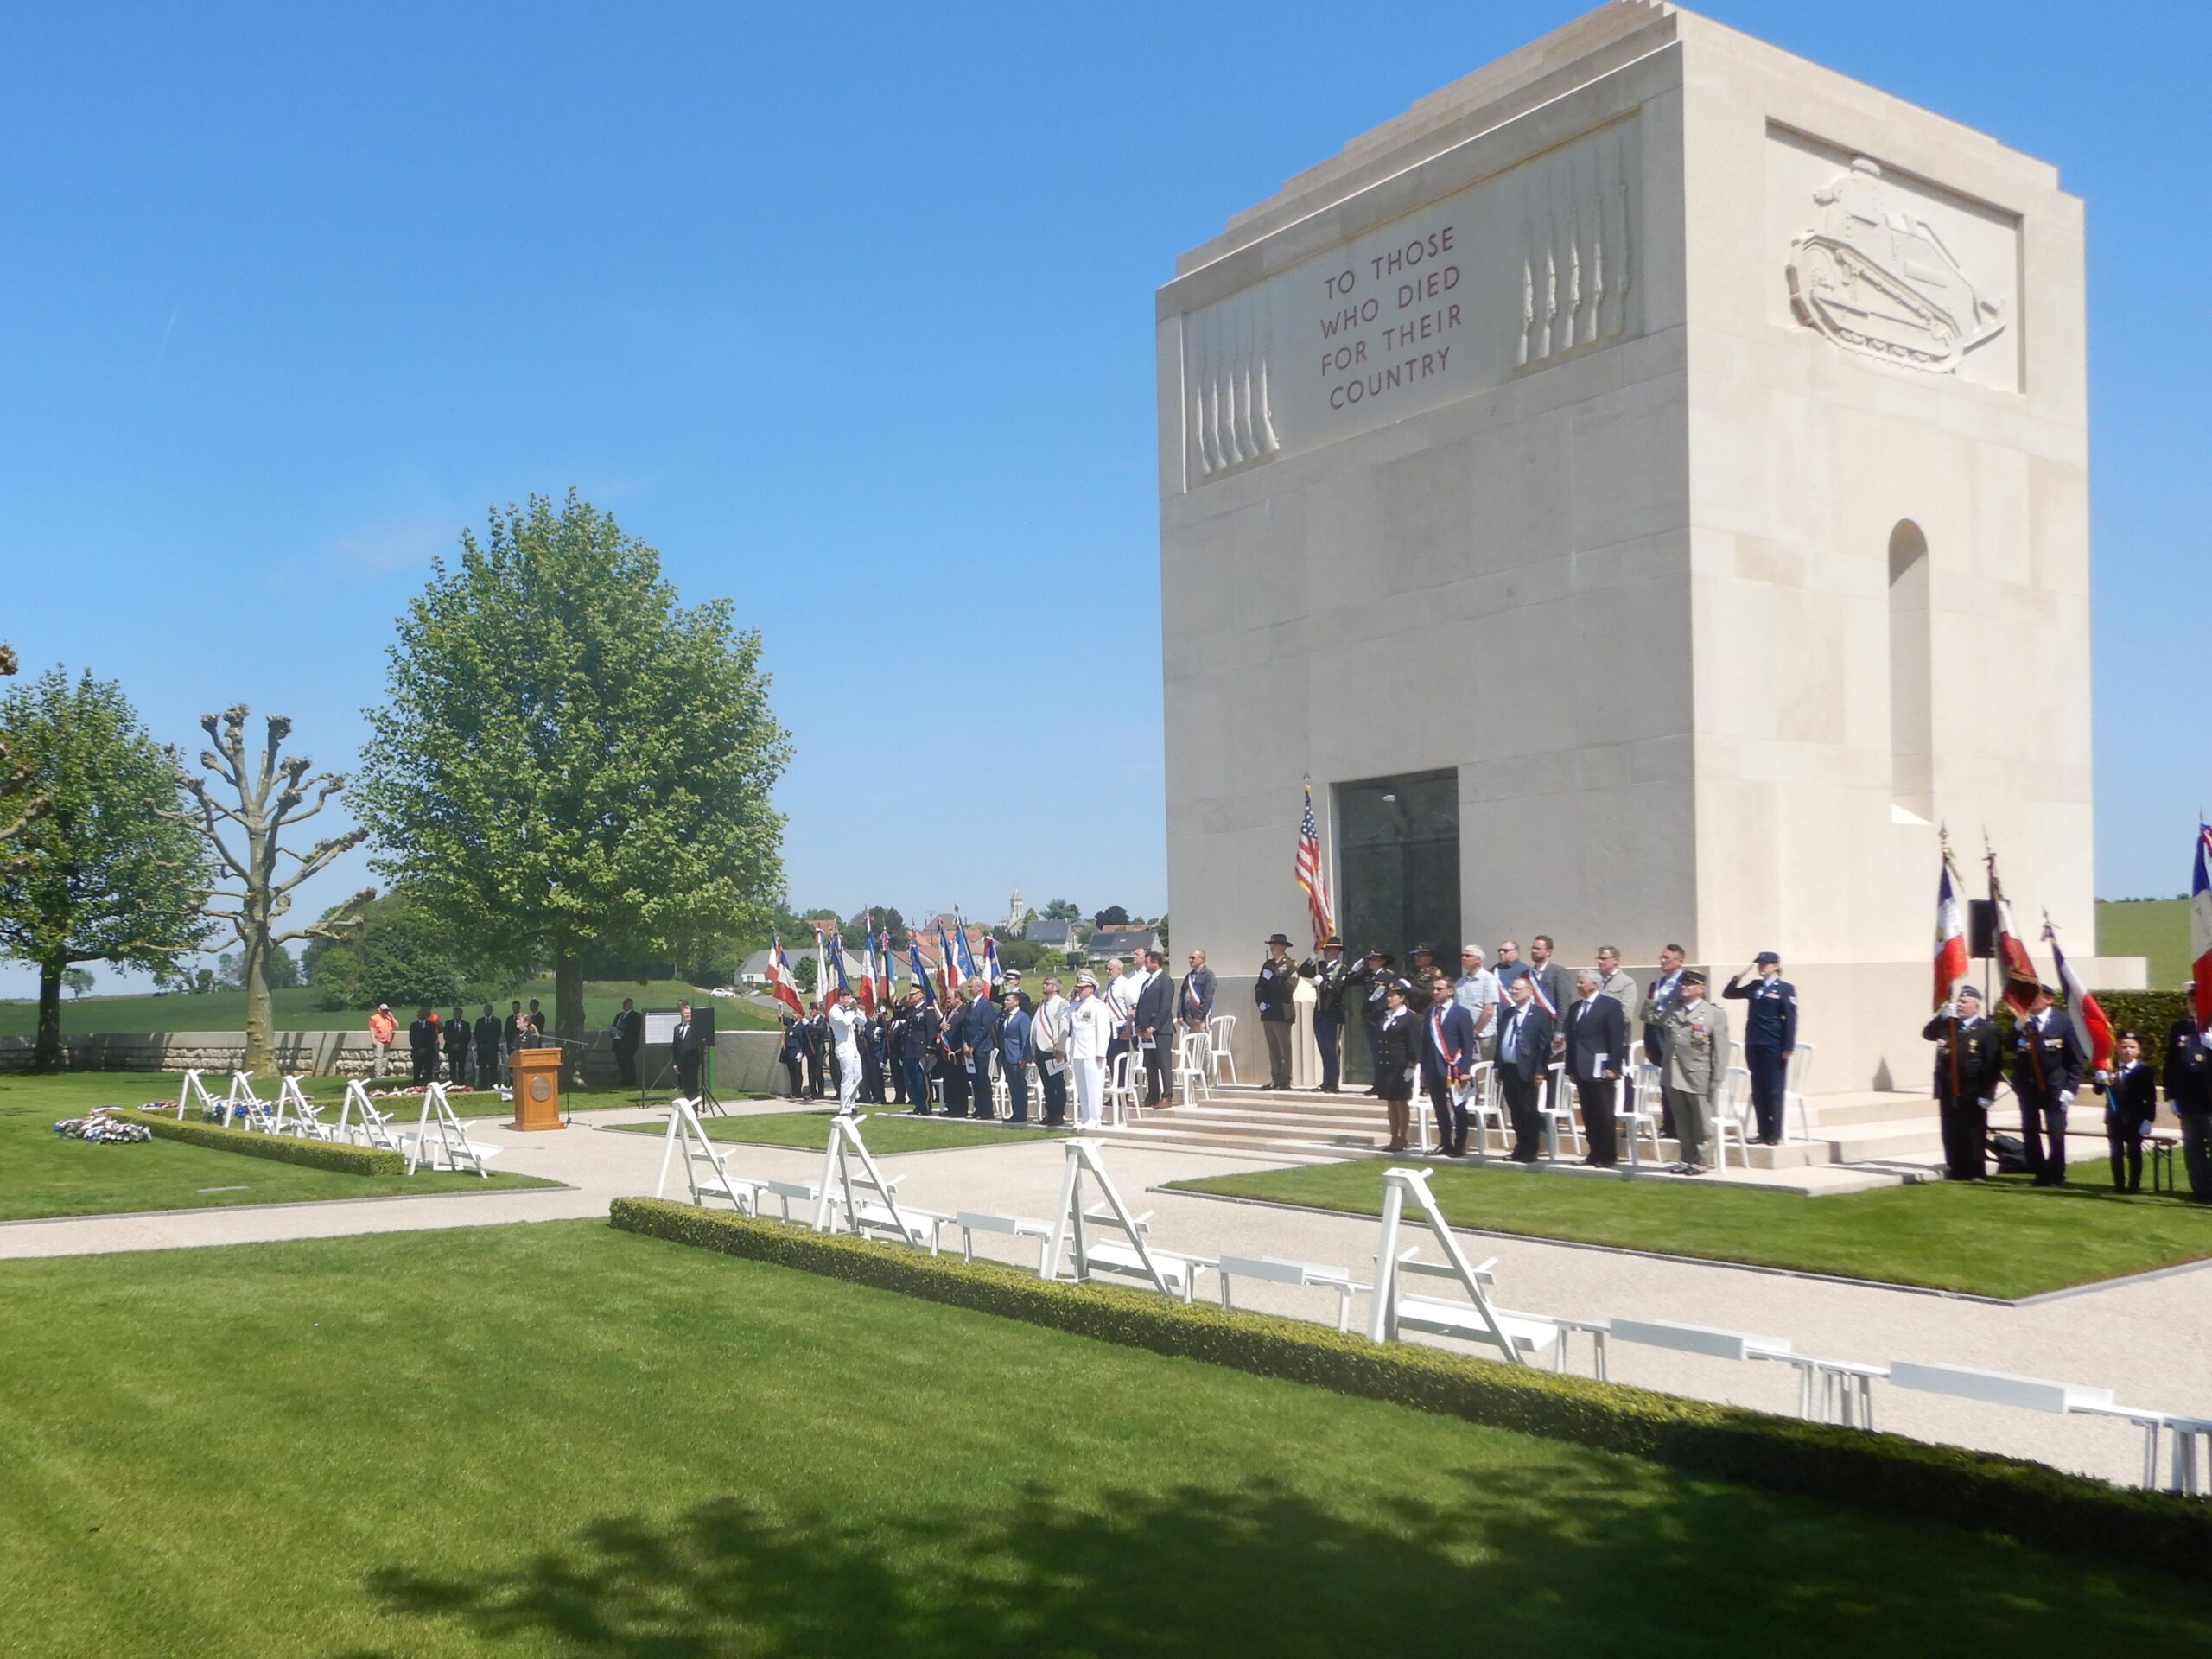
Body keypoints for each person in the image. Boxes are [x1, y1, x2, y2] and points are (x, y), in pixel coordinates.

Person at [1923, 985, 2005, 1181]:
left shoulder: (1987, 1030)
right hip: (1949, 1088)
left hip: (1974, 1089)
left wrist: (1987, 1095)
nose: (1959, 1005)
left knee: (1974, 1132)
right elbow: (1927, 1034)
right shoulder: (1949, 1025)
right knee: (1951, 1130)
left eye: (1964, 1002)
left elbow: (1993, 1065)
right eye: (1958, 1001)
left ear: (1976, 1006)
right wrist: (1942, 1016)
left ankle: (1976, 1171)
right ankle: (1957, 1168)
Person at [2011, 983, 2084, 1186]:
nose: (2032, 1000)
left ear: (2049, 999)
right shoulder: (2023, 1021)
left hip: (2055, 1085)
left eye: (2037, 996)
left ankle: (2057, 1174)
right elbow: (2008, 1045)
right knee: (2030, 1129)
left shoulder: (2063, 1021)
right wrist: (2017, 1027)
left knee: (2055, 1130)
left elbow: (2076, 1059)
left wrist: (2071, 1088)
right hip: (2028, 1085)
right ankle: (2039, 1172)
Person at [1722, 952, 1798, 1145]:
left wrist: (1788, 1045)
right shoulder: (1755, 986)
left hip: (1773, 1043)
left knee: (1774, 1088)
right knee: (1758, 1088)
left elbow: (1790, 1019)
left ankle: (1774, 1133)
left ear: (1775, 966)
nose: (1761, 967)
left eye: (1765, 964)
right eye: (1759, 964)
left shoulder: (1784, 988)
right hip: (1754, 1042)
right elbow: (1729, 994)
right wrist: (1738, 976)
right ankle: (1762, 1131)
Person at [1657, 969, 1726, 1174]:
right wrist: (1658, 997)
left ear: (1701, 989)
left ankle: (1702, 1160)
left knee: (1701, 1120)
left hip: (1698, 1073)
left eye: (1689, 984)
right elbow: (1649, 1017)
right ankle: (1686, 1158)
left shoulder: (1714, 1013)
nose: (1684, 986)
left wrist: (1718, 1076)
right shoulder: (1673, 1009)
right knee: (1682, 1119)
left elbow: (1721, 1048)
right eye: (1682, 984)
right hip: (1674, 1072)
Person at [1564, 969, 1626, 1167]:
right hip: (1582, 1068)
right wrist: (1571, 1068)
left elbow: (1616, 1039)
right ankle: (1593, 1152)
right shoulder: (1575, 1008)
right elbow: (1572, 1040)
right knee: (1588, 1113)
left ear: (1594, 984)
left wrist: (1613, 1067)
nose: (1578, 985)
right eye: (1578, 982)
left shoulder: (1610, 1006)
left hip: (1601, 1069)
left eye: (1582, 982)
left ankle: (1607, 1155)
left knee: (1604, 1113)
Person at [1494, 976, 1555, 1162]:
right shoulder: (1507, 1013)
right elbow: (1501, 1041)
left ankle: (1531, 1149)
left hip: (1527, 1070)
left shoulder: (1540, 1014)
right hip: (1509, 1068)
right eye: (1512, 988)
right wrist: (1498, 1066)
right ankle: (1519, 1147)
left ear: (1529, 991)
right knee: (1515, 1111)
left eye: (1518, 989)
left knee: (1528, 1110)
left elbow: (1543, 1046)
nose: (1513, 991)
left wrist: (1539, 1071)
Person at [1420, 971, 1478, 1156]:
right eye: (1433, 989)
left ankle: (1459, 1145)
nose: (1435, 992)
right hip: (1434, 1068)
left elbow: (1467, 1045)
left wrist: (1464, 1070)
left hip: (1454, 1068)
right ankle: (1445, 1142)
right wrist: (1423, 1069)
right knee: (1439, 1108)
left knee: (1458, 1108)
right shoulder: (1431, 1013)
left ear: (1450, 991)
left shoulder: (1462, 1013)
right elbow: (1426, 1043)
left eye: (1439, 989)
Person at [2162, 992, 2212, 1203]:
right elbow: (2171, 1064)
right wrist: (2171, 1095)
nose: (2193, 1004)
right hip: (2189, 1099)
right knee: (2193, 1147)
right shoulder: (2180, 1028)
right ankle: (2200, 1189)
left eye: (2197, 999)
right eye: (2190, 1000)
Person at [2094, 1030, 2156, 1192]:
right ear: (2117, 1048)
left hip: (2135, 1118)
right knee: (2116, 1153)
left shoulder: (2144, 1071)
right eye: (2123, 1047)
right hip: (2114, 1117)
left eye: (2132, 1047)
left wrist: (2149, 1119)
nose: (2127, 1050)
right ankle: (2119, 1184)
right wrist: (2100, 1079)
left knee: (2134, 1152)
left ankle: (2134, 1185)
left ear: (2138, 1050)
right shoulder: (2109, 1068)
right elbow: (2099, 1091)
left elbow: (2151, 1098)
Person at [1639, 944, 1689, 1134]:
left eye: (1667, 958)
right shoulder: (1656, 984)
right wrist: (1647, 1041)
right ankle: (1669, 1124)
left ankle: (1682, 1124)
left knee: (1679, 1085)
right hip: (1658, 1037)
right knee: (1665, 1083)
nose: (1663, 961)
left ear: (1679, 960)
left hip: (1678, 1037)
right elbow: (1649, 1014)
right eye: (1662, 957)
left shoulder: (1687, 982)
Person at [1297, 935, 1349, 1092]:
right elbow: (1302, 971)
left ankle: (1333, 1083)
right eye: (1325, 950)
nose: (1326, 953)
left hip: (1333, 1015)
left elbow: (1338, 990)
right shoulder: (1320, 966)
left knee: (1332, 1050)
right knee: (1323, 1049)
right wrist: (1313, 955)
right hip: (1319, 1015)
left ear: (1337, 952)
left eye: (1330, 950)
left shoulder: (1342, 969)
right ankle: (1326, 1081)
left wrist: (1324, 983)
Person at [1373, 980, 1420, 1153]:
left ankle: (1402, 1137)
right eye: (1388, 995)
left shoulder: (1410, 1018)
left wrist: (1411, 1065)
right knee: (1390, 1103)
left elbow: (1413, 1044)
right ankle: (1393, 1137)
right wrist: (1375, 994)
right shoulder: (1385, 1016)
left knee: (1401, 1102)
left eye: (1392, 995)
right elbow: (1367, 1012)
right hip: (1386, 1065)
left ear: (1402, 998)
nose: (1389, 998)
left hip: (1400, 1066)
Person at [1065, 970, 1114, 1130]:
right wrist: (1071, 997)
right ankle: (1085, 1116)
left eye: (1083, 987)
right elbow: (1062, 1015)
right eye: (1078, 987)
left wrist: (1101, 1052)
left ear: (1092, 988)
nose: (1079, 990)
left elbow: (1103, 1030)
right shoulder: (1076, 1006)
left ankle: (1095, 1117)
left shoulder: (1098, 1006)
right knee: (1082, 1087)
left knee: (1094, 1087)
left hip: (1092, 1052)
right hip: (1077, 1051)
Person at [1347, 948, 1398, 1095]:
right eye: (1370, 959)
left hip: (1382, 1017)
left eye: (1374, 959)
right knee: (1375, 1053)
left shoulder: (1388, 976)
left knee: (1384, 1052)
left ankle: (1387, 1084)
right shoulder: (1368, 975)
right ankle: (1378, 1083)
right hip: (1370, 1017)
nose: (1371, 962)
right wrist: (1354, 969)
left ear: (1382, 961)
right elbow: (1348, 982)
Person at [1255, 933, 1299, 1090]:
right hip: (1268, 1012)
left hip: (1283, 1012)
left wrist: (1274, 978)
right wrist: (1260, 1003)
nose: (1272, 947)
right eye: (1271, 944)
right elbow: (1260, 986)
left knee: (1284, 1048)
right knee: (1273, 1048)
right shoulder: (1268, 964)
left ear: (1283, 947)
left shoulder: (1290, 965)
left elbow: (1289, 989)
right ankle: (1275, 1078)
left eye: (1275, 944)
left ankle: (1285, 1080)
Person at [1135, 948, 1173, 1107]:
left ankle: (1167, 1096)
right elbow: (1141, 1005)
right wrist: (1138, 1025)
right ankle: (1153, 1095)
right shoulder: (1147, 981)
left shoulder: (1165, 980)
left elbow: (1165, 1007)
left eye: (1147, 962)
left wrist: (1154, 1026)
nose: (1145, 964)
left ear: (1155, 963)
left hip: (1161, 1031)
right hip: (1146, 1032)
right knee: (1149, 1064)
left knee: (1163, 1063)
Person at [955, 977, 999, 1118]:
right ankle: (978, 1108)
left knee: (982, 1079)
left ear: (979, 988)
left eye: (971, 987)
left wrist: (973, 1045)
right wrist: (965, 1043)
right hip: (969, 1048)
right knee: (974, 1080)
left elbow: (984, 1027)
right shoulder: (970, 1005)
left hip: (982, 1048)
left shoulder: (986, 1004)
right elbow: (965, 1026)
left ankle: (987, 1110)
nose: (969, 989)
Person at [1031, 976, 1071, 1126]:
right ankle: (1050, 1111)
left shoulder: (1062, 1003)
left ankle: (1058, 1113)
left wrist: (1060, 1049)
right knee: (1046, 1084)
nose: (1044, 985)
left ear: (1056, 987)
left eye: (1048, 984)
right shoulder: (1043, 1004)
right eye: (1044, 983)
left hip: (1053, 1049)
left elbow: (1064, 1027)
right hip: (1041, 1049)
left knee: (1057, 1083)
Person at [1452, 946, 1500, 1058]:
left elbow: (1488, 1010)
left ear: (1478, 959)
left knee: (1481, 1072)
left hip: (1483, 1036)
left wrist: (1474, 1031)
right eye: (1462, 955)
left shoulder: (1488, 978)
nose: (1463, 958)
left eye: (1468, 956)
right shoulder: (1460, 982)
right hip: (1463, 1036)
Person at [826, 993, 865, 1115]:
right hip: (843, 1045)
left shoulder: (848, 1010)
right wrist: (849, 1009)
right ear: (841, 998)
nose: (849, 1000)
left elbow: (863, 1021)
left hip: (853, 1045)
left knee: (858, 1076)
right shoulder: (834, 1011)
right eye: (847, 997)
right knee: (847, 1077)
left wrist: (855, 1009)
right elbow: (846, 1022)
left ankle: (851, 1103)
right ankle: (844, 1107)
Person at [998, 993, 1033, 1122]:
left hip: (1017, 1054)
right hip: (1006, 1054)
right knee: (1012, 1085)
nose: (1005, 1002)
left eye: (1008, 1000)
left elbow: (1025, 1038)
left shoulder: (1022, 1017)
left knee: (1019, 1085)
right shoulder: (1005, 1016)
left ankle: (1021, 1113)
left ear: (1016, 1002)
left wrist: (1024, 1056)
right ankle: (1015, 1112)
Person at [1527, 937, 1572, 1034]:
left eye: (1538, 949)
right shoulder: (1527, 974)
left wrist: (1559, 1032)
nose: (1534, 951)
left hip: (1550, 1027)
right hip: (1530, 1029)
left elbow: (1563, 1005)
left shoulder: (1558, 972)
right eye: (1533, 948)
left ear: (1549, 951)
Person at [1593, 945, 1639, 1031]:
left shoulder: (1627, 983)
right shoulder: (1595, 981)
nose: (1600, 961)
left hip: (1615, 1035)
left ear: (1615, 960)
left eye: (1603, 959)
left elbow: (1626, 1015)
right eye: (1598, 958)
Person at [671, 1001, 706, 1100]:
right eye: (685, 1013)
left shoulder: (695, 1027)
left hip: (692, 1061)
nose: (687, 1015)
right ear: (681, 1014)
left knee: (693, 1085)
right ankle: (686, 1107)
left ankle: (694, 1109)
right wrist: (675, 1063)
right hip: (681, 1062)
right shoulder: (677, 1028)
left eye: (689, 1013)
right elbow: (675, 1046)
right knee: (684, 1086)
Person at [1179, 948, 1217, 1034]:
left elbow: (1207, 997)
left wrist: (1199, 1016)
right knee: (1191, 1044)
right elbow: (1182, 996)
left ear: (1201, 959)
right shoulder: (1188, 976)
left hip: (1200, 1018)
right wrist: (1180, 1014)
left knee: (1202, 1043)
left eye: (1193, 958)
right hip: (1188, 1015)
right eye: (1189, 958)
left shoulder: (1208, 975)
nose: (1190, 960)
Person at [610, 997, 643, 1088]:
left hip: (628, 1044)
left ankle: (630, 1081)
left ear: (631, 1005)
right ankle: (624, 1079)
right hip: (618, 1043)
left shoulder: (635, 1016)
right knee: (621, 1061)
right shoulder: (619, 1015)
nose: (624, 1005)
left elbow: (635, 1030)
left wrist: (623, 1034)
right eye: (624, 1004)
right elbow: (614, 1025)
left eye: (626, 1004)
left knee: (628, 1062)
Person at [473, 1004, 502, 1095]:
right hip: (482, 1048)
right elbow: (476, 1033)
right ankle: (483, 1085)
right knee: (482, 1067)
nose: (486, 1011)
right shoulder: (480, 1021)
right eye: (485, 1009)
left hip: (492, 1048)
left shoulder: (496, 1021)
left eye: (488, 1009)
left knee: (493, 1067)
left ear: (491, 1010)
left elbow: (497, 1034)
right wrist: (481, 1044)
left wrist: (489, 1044)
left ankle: (494, 1084)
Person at [1402, 944, 1440, 1015]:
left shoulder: (1434, 973)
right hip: (1409, 1011)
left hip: (1424, 1011)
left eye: (1421, 955)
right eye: (1416, 955)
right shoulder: (1412, 973)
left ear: (1430, 957)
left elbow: (1431, 994)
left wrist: (1412, 990)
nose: (1417, 958)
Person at [408, 1005, 439, 1086]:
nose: (418, 1014)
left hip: (428, 1052)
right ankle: (416, 1085)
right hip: (417, 1052)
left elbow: (433, 1038)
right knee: (417, 1070)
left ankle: (429, 1085)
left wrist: (426, 1049)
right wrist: (419, 1049)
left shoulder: (431, 1025)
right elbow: (412, 1039)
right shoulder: (413, 1025)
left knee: (428, 1070)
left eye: (420, 1013)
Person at [778, 1014, 808, 1098]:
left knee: (797, 1072)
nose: (793, 1015)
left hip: (796, 1052)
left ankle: (798, 1092)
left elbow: (804, 1039)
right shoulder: (791, 1022)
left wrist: (801, 1052)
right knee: (792, 1073)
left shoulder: (802, 1025)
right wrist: (780, 1013)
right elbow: (783, 1020)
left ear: (800, 1015)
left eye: (795, 1013)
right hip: (789, 1052)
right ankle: (793, 1091)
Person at [443, 1005, 472, 1085]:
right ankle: (452, 1082)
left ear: (461, 1014)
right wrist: (453, 1045)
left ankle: (461, 1083)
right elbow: (446, 1036)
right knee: (452, 1067)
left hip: (461, 1049)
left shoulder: (466, 1025)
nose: (456, 1015)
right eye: (454, 1013)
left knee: (461, 1067)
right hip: (451, 1049)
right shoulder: (448, 1024)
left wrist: (460, 1045)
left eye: (457, 1013)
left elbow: (467, 1037)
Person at [368, 1003, 397, 1078]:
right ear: (379, 1010)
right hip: (379, 1041)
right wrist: (373, 1039)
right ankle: (378, 1073)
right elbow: (372, 1029)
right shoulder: (374, 1018)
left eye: (387, 1011)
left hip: (387, 1041)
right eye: (384, 1011)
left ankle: (383, 1073)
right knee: (378, 1057)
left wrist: (392, 1017)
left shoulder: (388, 1018)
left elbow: (396, 1026)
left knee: (385, 1058)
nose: (385, 1012)